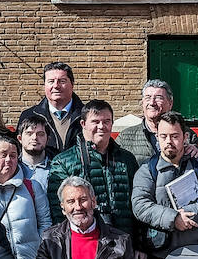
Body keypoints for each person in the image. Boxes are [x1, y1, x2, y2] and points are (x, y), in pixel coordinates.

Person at [131, 112, 198, 259]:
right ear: (157, 137)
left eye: (175, 136)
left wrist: (189, 214)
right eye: (164, 136)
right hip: (159, 257)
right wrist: (173, 219)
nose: (169, 141)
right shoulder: (147, 169)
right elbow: (140, 204)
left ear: (185, 137)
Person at [23, 176, 145, 259]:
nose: (78, 207)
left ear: (94, 202)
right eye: (71, 201)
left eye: (83, 199)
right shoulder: (50, 240)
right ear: (63, 208)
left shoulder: (119, 240)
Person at [46, 99, 138, 236]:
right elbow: (58, 211)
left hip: (125, 242)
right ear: (83, 124)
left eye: (106, 121)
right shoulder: (63, 162)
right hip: (84, 243)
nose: (101, 126)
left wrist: (140, 245)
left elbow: (137, 204)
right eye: (95, 121)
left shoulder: (127, 159)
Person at [116, 79, 198, 165]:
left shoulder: (189, 135)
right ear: (142, 103)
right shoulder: (125, 137)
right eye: (148, 97)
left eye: (158, 98)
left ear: (170, 103)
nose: (152, 103)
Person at [19, 61, 84, 159]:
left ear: (72, 84)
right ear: (45, 85)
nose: (56, 86)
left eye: (62, 81)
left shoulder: (87, 115)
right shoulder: (29, 115)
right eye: (51, 81)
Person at [16, 113, 53, 191]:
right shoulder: (11, 166)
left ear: (48, 139)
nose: (35, 138)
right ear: (20, 138)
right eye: (29, 133)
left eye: (40, 134)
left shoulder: (58, 167)